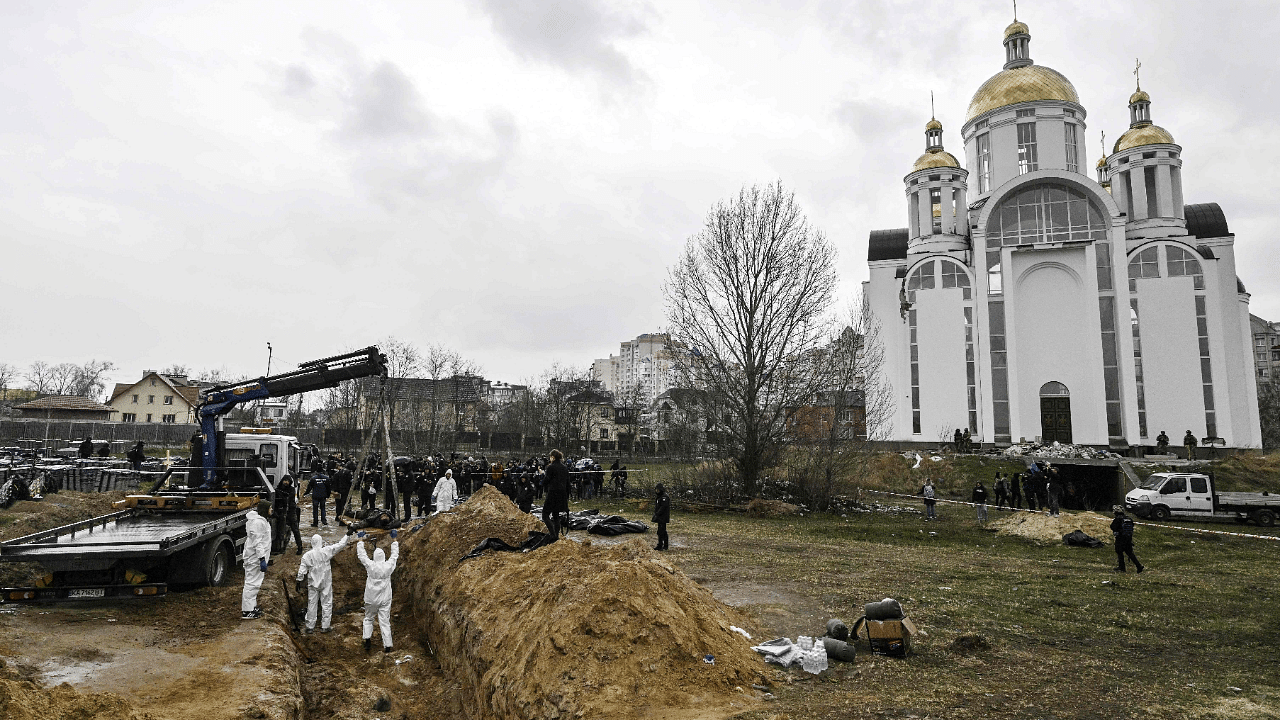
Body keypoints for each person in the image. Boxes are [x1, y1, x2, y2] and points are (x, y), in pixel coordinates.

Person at [295, 530, 350, 634]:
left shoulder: (307, 555)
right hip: (325, 583)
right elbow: (340, 545)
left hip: (313, 584)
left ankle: (310, 626)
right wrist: (347, 534)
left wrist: (299, 580)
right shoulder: (326, 551)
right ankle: (325, 626)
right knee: (327, 603)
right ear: (320, 542)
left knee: (312, 604)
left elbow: (302, 570)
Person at [357, 530, 400, 653]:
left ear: (374, 557)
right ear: (383, 557)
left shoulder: (371, 566)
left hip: (371, 598)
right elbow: (394, 555)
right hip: (385, 598)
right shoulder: (388, 566)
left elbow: (362, 556)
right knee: (385, 621)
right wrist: (394, 540)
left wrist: (360, 541)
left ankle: (367, 639)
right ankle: (387, 645)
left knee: (368, 618)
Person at [241, 502, 273, 619]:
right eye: (270, 508)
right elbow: (257, 542)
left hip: (255, 558)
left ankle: (251, 607)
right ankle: (247, 611)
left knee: (254, 583)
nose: (271, 509)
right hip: (255, 558)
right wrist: (261, 558)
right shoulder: (258, 523)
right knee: (251, 584)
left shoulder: (261, 521)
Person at [543, 449, 570, 540]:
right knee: (556, 515)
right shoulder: (564, 467)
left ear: (553, 457)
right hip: (562, 494)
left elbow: (546, 480)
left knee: (545, 515)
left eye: (550, 457)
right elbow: (567, 482)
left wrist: (541, 477)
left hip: (552, 493)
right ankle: (557, 535)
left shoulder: (550, 467)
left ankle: (553, 534)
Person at [273, 476, 304, 555]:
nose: (286, 482)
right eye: (285, 481)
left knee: (295, 530)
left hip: (291, 512)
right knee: (281, 531)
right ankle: (281, 547)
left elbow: (289, 498)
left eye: (287, 481)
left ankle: (300, 546)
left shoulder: (291, 489)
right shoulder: (278, 489)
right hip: (281, 512)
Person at [1111, 508, 1144, 573]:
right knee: (1130, 553)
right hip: (1128, 538)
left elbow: (1112, 527)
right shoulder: (1129, 519)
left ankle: (1122, 567)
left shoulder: (1118, 519)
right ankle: (1139, 566)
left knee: (1119, 552)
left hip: (1120, 538)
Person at [652, 483, 671, 551]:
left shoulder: (664, 497)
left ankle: (662, 545)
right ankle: (663, 545)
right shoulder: (659, 497)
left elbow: (663, 507)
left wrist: (657, 514)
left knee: (661, 531)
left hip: (663, 517)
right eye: (656, 490)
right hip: (660, 517)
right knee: (661, 531)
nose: (657, 491)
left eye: (658, 490)